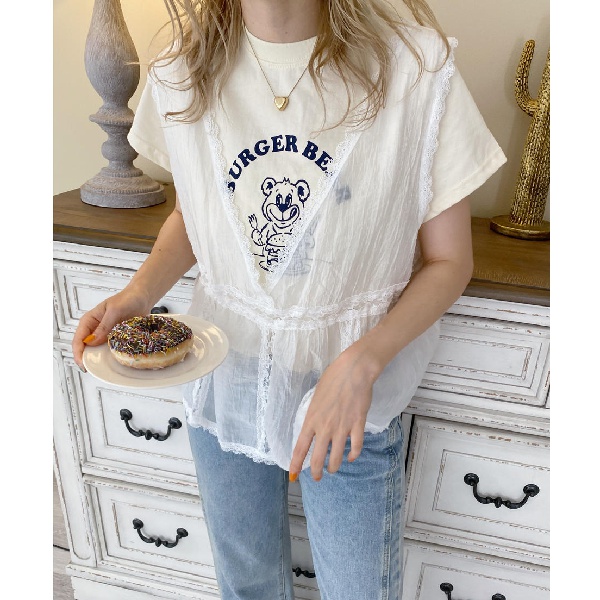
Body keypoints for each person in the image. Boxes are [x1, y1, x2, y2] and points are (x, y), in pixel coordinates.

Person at [72, 1, 506, 598]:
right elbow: (198, 214)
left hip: (353, 396)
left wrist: (361, 362)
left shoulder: (415, 69)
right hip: (225, 375)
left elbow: (450, 261)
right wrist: (138, 292)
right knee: (246, 588)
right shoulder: (182, 68)